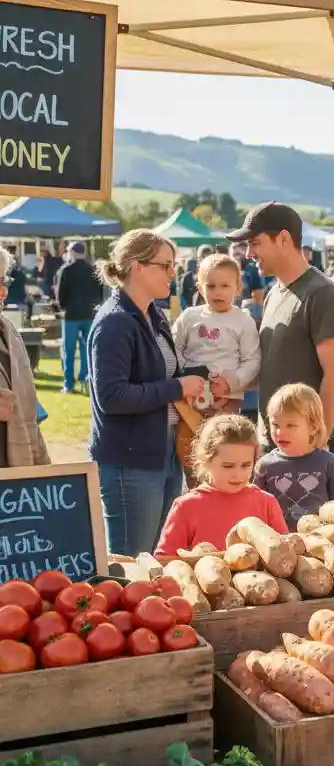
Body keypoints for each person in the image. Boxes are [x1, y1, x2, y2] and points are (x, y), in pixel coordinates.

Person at [88, 231, 206, 556]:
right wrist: (177, 387)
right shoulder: (114, 323)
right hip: (130, 461)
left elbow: (161, 373)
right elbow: (111, 397)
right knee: (130, 561)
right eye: (165, 265)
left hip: (162, 452)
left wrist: (200, 378)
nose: (173, 274)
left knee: (154, 558)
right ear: (137, 266)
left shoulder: (153, 314)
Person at [226, 202, 334, 466]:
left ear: (283, 239)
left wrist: (318, 444)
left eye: (255, 243)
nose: (249, 253)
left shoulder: (322, 294)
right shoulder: (274, 293)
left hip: (309, 453)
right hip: (275, 447)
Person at [154, 414, 288, 559]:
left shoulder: (266, 502)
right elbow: (164, 559)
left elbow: (285, 554)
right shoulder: (186, 506)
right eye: (228, 466)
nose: (237, 474)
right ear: (206, 461)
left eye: (246, 465)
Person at [254, 384, 334, 529]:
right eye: (275, 425)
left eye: (290, 425)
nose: (280, 432)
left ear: (313, 427)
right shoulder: (265, 465)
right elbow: (255, 505)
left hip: (321, 538)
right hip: (278, 539)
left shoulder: (328, 462)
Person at [172, 253, 262, 413]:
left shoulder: (243, 321)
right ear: (200, 288)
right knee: (187, 430)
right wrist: (182, 379)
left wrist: (230, 383)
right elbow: (174, 350)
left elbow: (252, 360)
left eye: (225, 286)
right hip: (189, 398)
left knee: (223, 430)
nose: (218, 292)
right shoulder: (189, 317)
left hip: (228, 398)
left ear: (238, 288)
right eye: (211, 286)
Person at [0, 249, 48, 467]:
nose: (3, 292)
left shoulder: (8, 331)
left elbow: (30, 415)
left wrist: (42, 469)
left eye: (4, 282)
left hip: (15, 471)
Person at [54, 241, 103, 394]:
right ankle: (86, 380)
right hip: (89, 314)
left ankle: (69, 384)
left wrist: (63, 307)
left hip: (71, 315)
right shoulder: (92, 269)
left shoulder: (66, 270)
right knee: (87, 349)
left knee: (68, 350)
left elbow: (60, 294)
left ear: (73, 252)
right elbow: (99, 292)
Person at [231, 242, 264, 307]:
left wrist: (246, 303)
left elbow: (258, 295)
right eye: (234, 253)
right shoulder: (228, 269)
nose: (237, 257)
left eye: (238, 254)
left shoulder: (251, 269)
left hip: (245, 309)